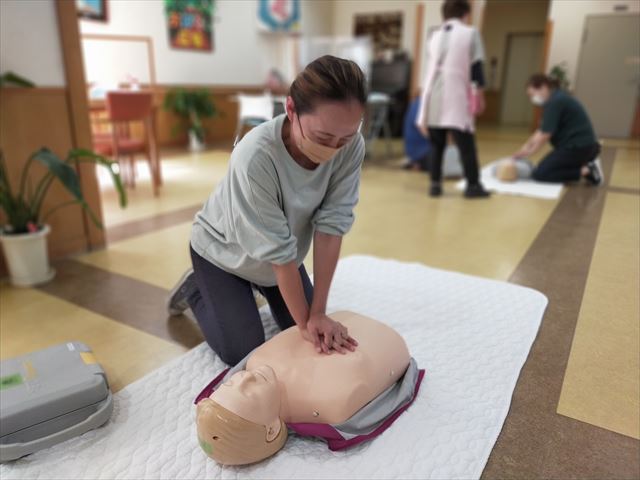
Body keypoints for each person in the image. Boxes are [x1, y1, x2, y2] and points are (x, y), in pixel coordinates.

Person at [166, 56, 366, 365]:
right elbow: (281, 257)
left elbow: (331, 226)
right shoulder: (256, 156)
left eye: (346, 138)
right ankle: (196, 288)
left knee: (309, 328)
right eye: (323, 137)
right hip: (223, 253)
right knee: (243, 351)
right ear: (291, 110)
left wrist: (319, 313)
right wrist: (306, 324)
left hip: (279, 249)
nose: (334, 149)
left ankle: (257, 289)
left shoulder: (350, 147)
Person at [195, 311, 424, 465]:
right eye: (247, 392)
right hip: (386, 344)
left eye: (231, 382)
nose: (245, 377)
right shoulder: (331, 404)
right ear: (272, 430)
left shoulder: (256, 363)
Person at [416, 0, 490, 198]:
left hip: (433, 97)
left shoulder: (433, 36)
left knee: (436, 145)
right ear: (466, 14)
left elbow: (430, 69)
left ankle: (435, 185)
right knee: (466, 145)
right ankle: (473, 186)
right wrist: (480, 96)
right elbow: (476, 68)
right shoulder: (470, 33)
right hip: (457, 97)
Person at [514, 74, 603, 184]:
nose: (532, 99)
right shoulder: (554, 99)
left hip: (578, 147)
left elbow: (545, 135)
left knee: (541, 174)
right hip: (583, 146)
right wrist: (525, 147)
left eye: (532, 95)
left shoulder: (555, 102)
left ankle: (586, 170)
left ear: (543, 87)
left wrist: (529, 152)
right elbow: (541, 130)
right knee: (548, 167)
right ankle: (585, 164)